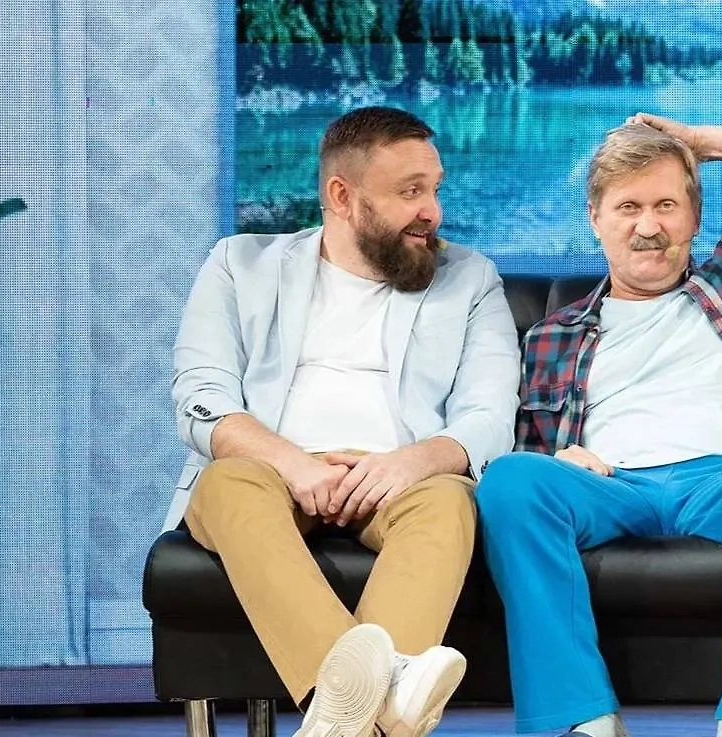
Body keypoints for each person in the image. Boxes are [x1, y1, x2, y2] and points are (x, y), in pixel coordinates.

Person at [474, 114, 722, 737]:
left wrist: (697, 144)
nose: (648, 226)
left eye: (666, 205)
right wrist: (558, 458)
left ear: (694, 217)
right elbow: (524, 452)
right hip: (611, 485)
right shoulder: (552, 335)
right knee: (512, 481)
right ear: (596, 219)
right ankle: (585, 721)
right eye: (628, 207)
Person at [164, 106, 521, 737]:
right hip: (272, 472)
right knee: (228, 481)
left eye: (435, 189)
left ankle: (340, 717)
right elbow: (201, 397)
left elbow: (489, 417)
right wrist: (294, 463)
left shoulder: (471, 279)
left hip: (400, 481)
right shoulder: (240, 265)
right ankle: (383, 700)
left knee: (449, 500)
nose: (432, 211)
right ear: (341, 196)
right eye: (410, 192)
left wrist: (409, 463)